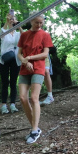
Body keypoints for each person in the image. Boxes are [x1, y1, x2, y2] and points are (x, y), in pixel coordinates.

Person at [18, 12, 54, 144]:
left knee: (34, 98)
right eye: (36, 22)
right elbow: (19, 54)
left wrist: (30, 58)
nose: (39, 25)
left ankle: (34, 130)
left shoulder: (45, 35)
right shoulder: (24, 35)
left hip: (38, 68)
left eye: (41, 22)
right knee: (22, 98)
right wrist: (25, 61)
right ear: (31, 21)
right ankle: (35, 127)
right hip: (24, 69)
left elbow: (45, 54)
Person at [0, 11, 21, 114]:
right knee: (4, 82)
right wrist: (7, 22)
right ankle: (3, 105)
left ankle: (12, 104)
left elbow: (25, 36)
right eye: (11, 19)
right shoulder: (4, 32)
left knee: (13, 82)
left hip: (15, 60)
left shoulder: (17, 34)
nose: (12, 20)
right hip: (4, 60)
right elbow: (1, 32)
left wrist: (18, 25)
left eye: (13, 19)